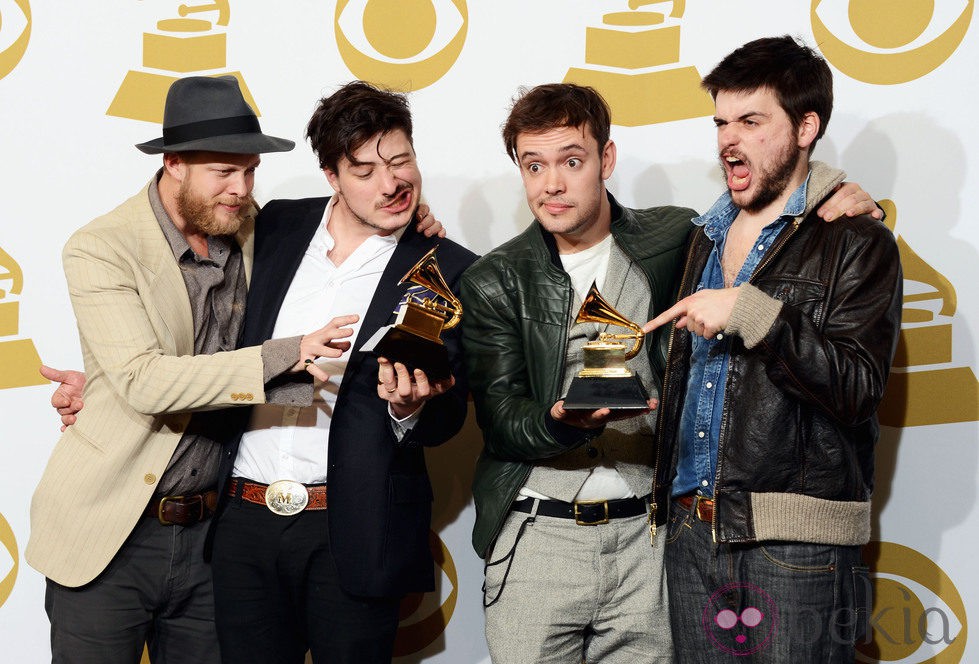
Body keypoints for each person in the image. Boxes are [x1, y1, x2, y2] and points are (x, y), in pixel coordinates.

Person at [458, 83, 879, 663]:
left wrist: (843, 195)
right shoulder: (494, 279)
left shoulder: (679, 238)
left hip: (648, 541)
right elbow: (502, 420)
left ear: (606, 159)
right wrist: (560, 421)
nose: (551, 184)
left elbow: (772, 207)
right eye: (534, 165)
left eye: (571, 161)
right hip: (538, 538)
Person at [30, 76, 445, 664]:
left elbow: (357, 213)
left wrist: (408, 216)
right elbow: (143, 381)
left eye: (249, 170)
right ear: (173, 164)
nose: (241, 188)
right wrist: (287, 352)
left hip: (212, 534)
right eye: (223, 172)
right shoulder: (102, 247)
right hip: (109, 530)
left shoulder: (255, 227)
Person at [643, 36, 902, 663]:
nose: (729, 140)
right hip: (692, 536)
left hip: (796, 549)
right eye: (722, 123)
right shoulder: (702, 237)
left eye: (752, 122)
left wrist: (755, 314)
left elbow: (858, 388)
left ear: (806, 127)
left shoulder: (856, 243)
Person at [204, 80, 476, 664]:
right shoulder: (274, 225)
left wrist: (412, 408)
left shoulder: (451, 268)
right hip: (243, 523)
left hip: (355, 529)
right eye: (365, 170)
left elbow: (452, 412)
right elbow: (197, 305)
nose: (391, 183)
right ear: (331, 176)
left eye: (401, 160)